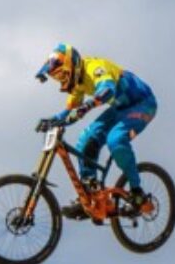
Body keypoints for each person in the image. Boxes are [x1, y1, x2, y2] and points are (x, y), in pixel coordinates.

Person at [34, 43, 157, 216]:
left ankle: (137, 193)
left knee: (115, 140)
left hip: (143, 104)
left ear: (72, 66)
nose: (62, 80)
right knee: (86, 140)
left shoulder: (94, 68)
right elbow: (69, 112)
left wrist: (88, 105)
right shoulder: (78, 82)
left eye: (62, 75)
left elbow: (107, 90)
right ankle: (90, 195)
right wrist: (52, 121)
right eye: (58, 78)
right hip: (120, 108)